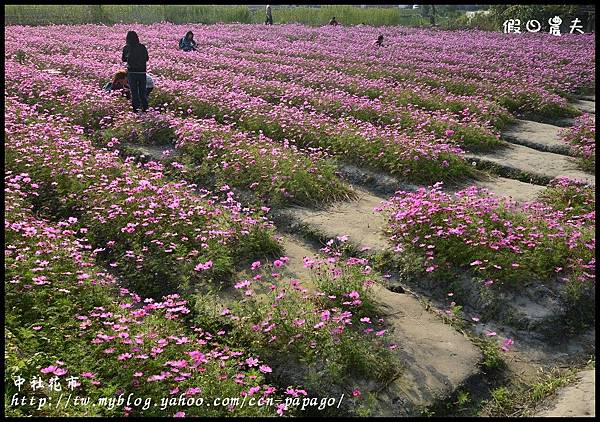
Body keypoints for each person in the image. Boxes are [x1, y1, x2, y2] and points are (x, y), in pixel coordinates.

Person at [122, 31, 149, 112]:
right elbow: (147, 58)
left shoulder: (126, 48)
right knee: (142, 92)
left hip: (132, 72)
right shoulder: (142, 47)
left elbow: (123, 59)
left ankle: (136, 110)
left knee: (134, 92)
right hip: (142, 72)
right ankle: (145, 108)